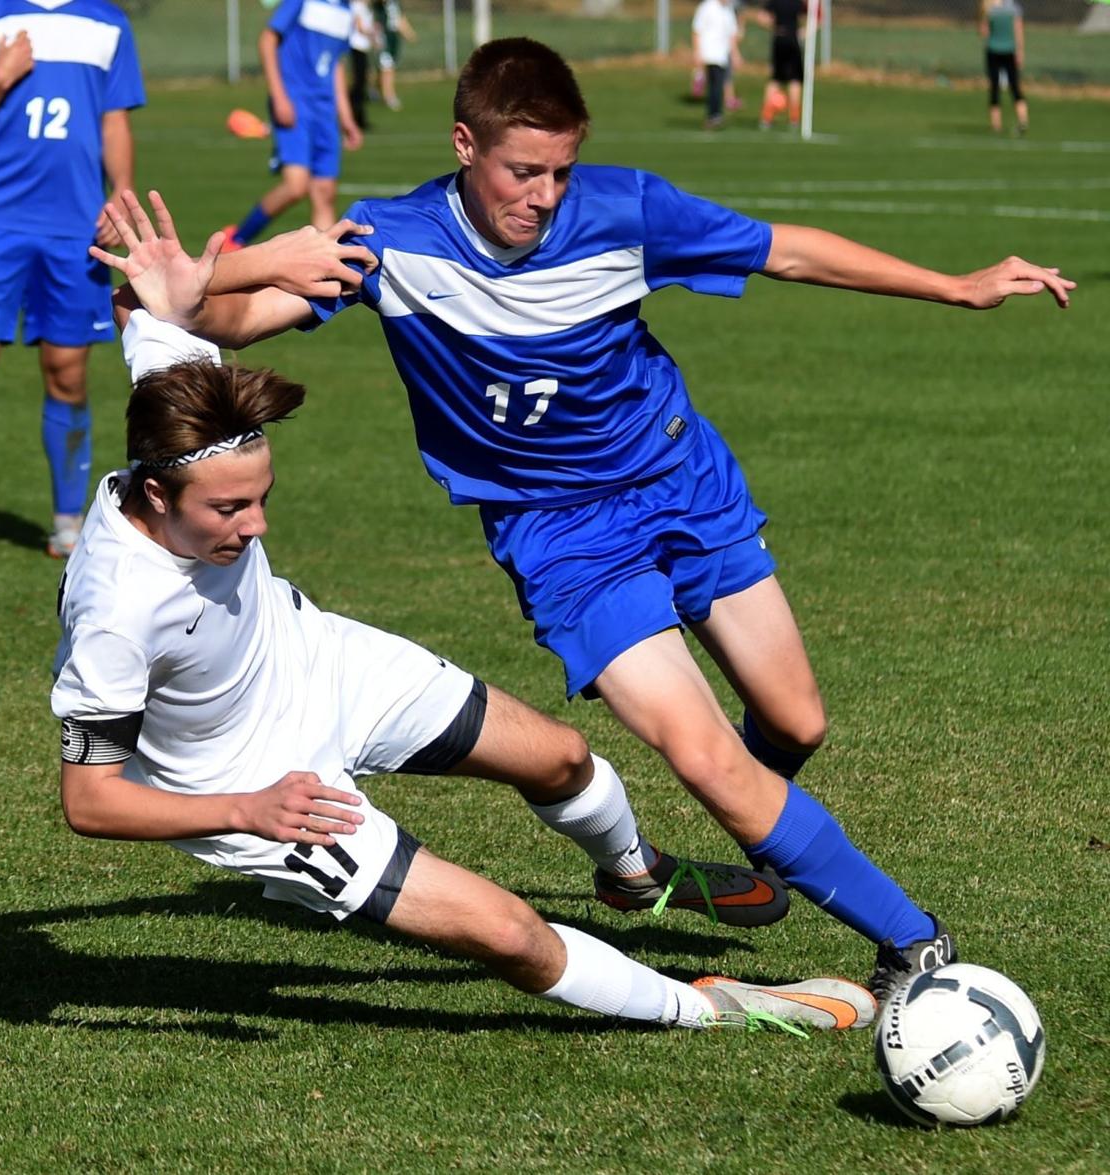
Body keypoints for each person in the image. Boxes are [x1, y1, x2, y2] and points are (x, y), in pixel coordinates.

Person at [107, 39, 1074, 1002]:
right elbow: (231, 327)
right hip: (563, 537)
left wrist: (958, 285)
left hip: (684, 484)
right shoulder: (389, 243)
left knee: (794, 720)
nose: (544, 194)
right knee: (706, 758)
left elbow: (786, 249)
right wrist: (186, 287)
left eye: (560, 171)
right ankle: (916, 946)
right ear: (463, 145)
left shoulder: (626, 211)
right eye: (523, 171)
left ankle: (762, 819)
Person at [50, 275, 877, 1037]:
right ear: (155, 495)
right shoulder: (118, 611)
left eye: (263, 497)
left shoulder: (181, 412)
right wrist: (247, 810)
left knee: (561, 757)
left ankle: (634, 874)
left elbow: (150, 308)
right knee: (511, 931)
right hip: (258, 785)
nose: (258, 525)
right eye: (231, 508)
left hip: (324, 661)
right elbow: (90, 801)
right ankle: (707, 1009)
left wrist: (171, 279)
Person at [0, 0, 145, 564]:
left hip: (76, 227)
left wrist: (120, 192)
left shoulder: (108, 22)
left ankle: (69, 525)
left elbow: (114, 119)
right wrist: (0, 77)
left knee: (68, 373)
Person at [221, 0, 363, 249]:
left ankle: (325, 269)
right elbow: (267, 40)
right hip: (295, 104)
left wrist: (347, 117)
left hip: (325, 112)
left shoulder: (346, 10)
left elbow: (335, 65)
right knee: (296, 186)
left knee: (325, 194)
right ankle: (237, 239)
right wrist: (279, 96)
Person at [752, 0, 804, 129]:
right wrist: (804, 31)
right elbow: (816, 16)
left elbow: (760, 17)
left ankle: (766, 117)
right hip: (793, 40)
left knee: (775, 79)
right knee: (794, 79)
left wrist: (774, 26)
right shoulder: (799, 2)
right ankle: (794, 118)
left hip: (779, 38)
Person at [981, 0, 1028, 136]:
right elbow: (1018, 31)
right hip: (1009, 51)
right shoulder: (1014, 8)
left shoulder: (989, 8)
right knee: (1014, 87)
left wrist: (982, 14)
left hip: (994, 51)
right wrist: (1020, 51)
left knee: (995, 88)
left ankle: (996, 126)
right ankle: (1023, 121)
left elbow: (983, 32)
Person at [692, 0, 740, 130]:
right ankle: (714, 114)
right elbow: (697, 30)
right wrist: (697, 51)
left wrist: (735, 54)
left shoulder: (728, 10)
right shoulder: (707, 7)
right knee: (717, 83)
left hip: (723, 54)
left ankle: (714, 114)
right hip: (710, 53)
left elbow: (732, 34)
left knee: (717, 84)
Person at [373, 0, 416, 112]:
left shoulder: (396, 3)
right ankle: (389, 96)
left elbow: (400, 18)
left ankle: (377, 91)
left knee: (388, 67)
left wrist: (408, 32)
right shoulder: (380, 4)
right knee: (387, 68)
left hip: (393, 39)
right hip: (383, 38)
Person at [348, 0, 376, 132]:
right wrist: (373, 34)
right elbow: (359, 27)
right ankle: (356, 118)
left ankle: (359, 118)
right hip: (356, 47)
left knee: (361, 85)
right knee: (358, 86)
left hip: (363, 48)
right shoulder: (357, 6)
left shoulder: (365, 7)